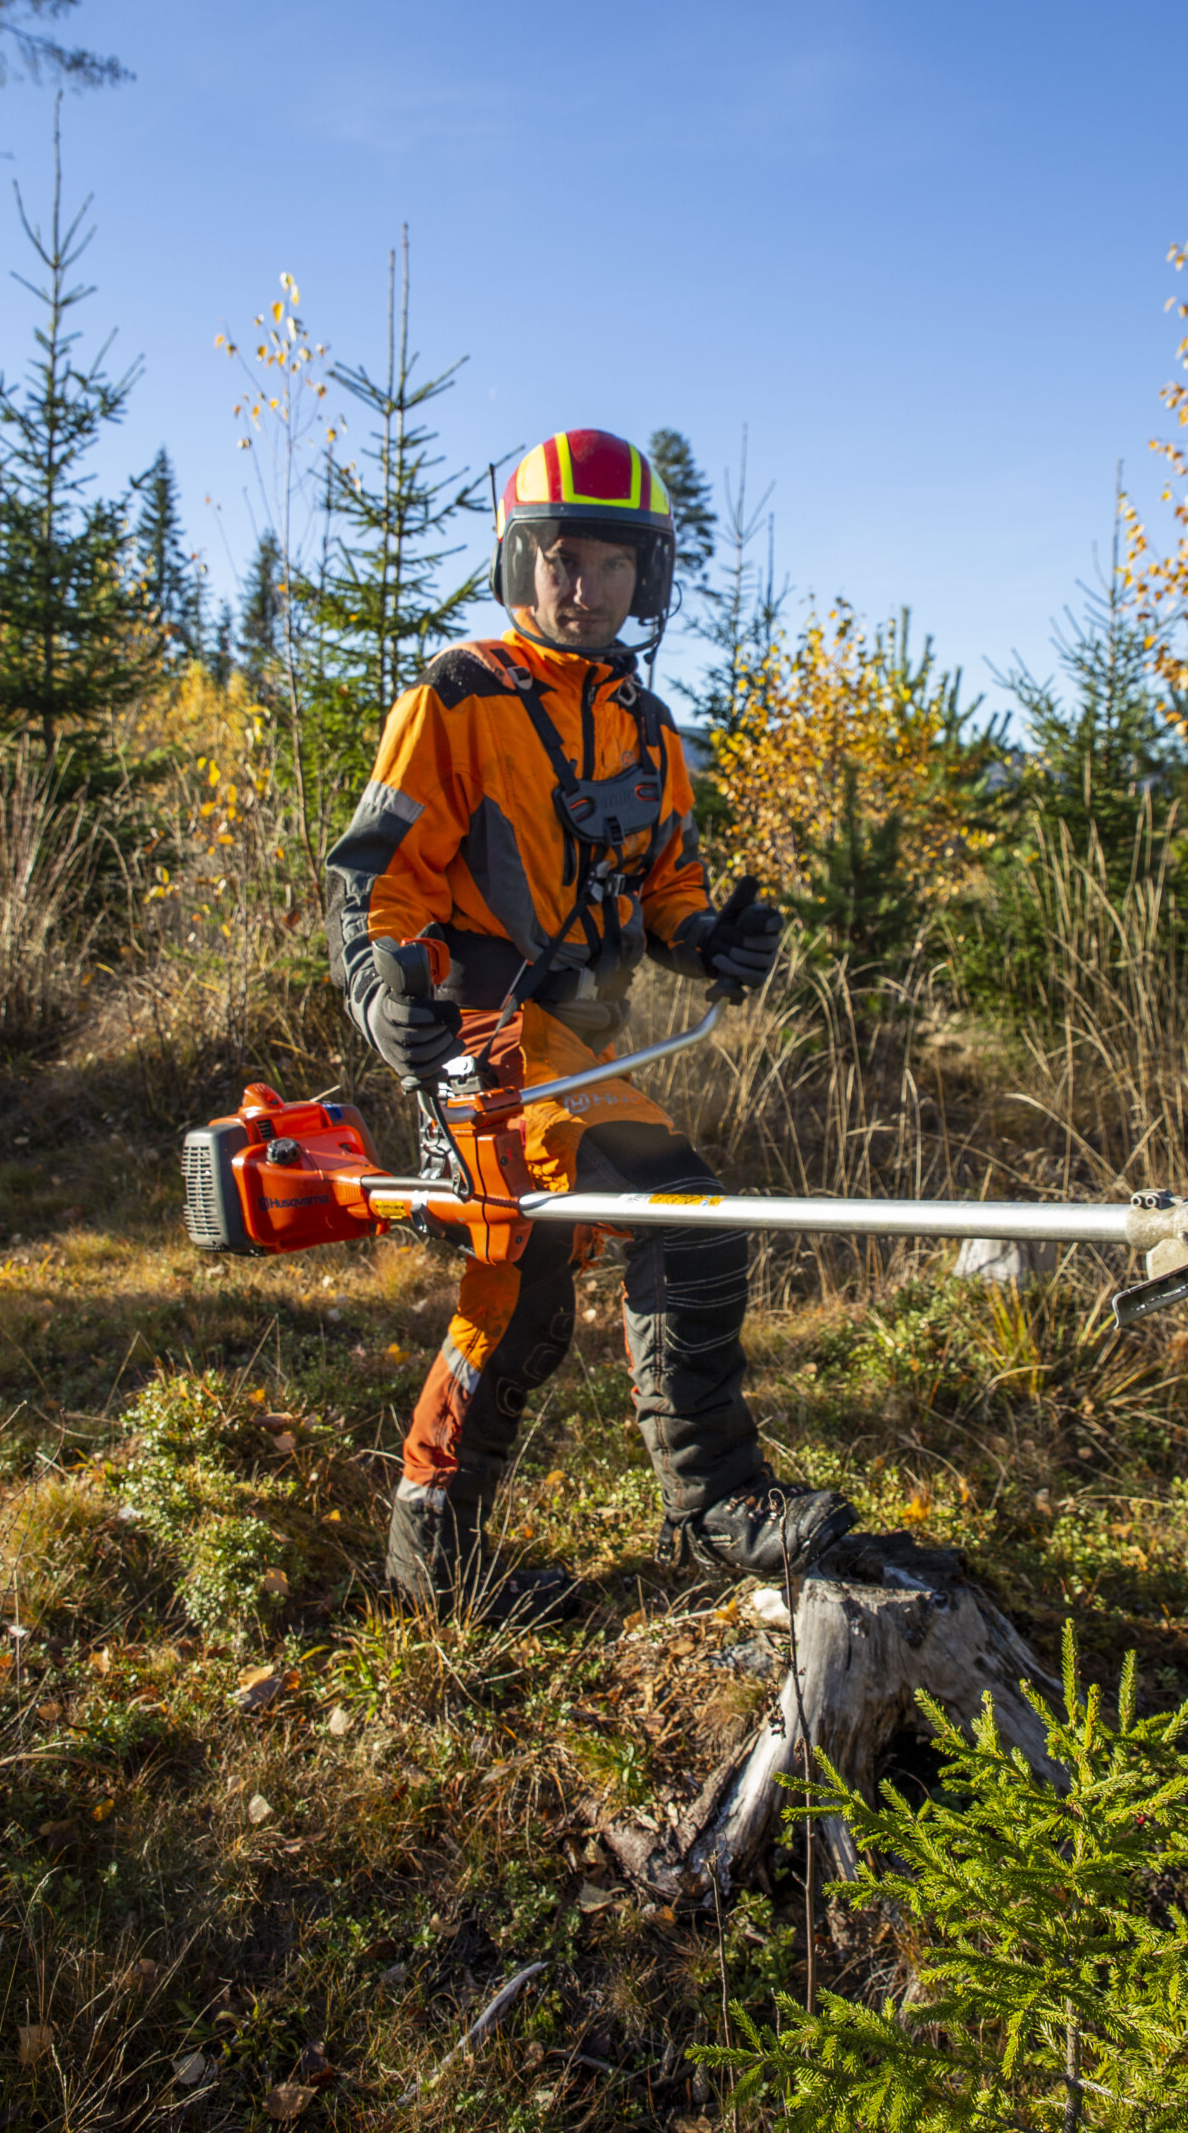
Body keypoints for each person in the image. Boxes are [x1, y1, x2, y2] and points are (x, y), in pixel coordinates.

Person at [325, 426, 857, 1610]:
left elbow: (664, 883)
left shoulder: (649, 727)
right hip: (480, 1035)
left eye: (610, 566)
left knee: (557, 1281)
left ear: (646, 579)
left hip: (581, 1046)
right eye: (559, 559)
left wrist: (706, 936)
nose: (583, 587)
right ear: (519, 564)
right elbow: (375, 879)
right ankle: (702, 1509)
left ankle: (463, 1562)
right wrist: (383, 993)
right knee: (636, 1246)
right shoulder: (457, 696)